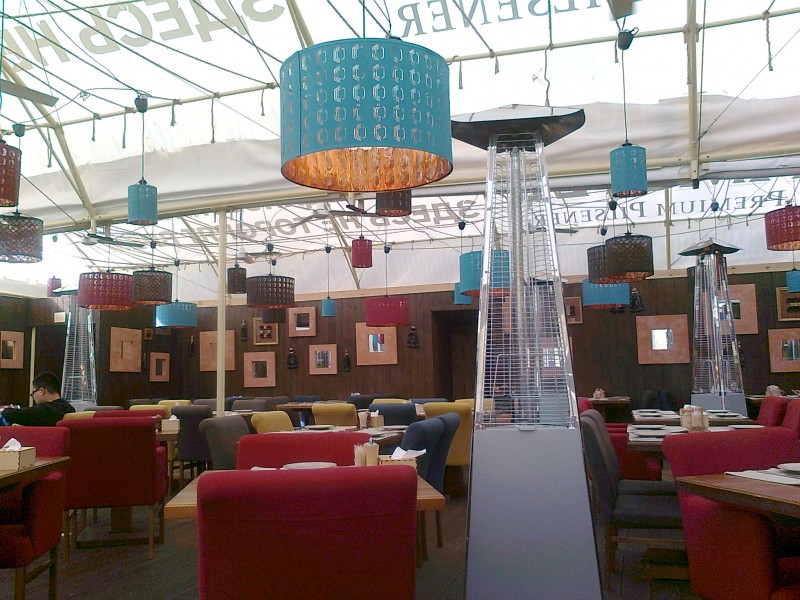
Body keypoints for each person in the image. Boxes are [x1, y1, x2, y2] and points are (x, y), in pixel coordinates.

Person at [0, 372, 75, 426]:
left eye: (33, 393)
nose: (33, 397)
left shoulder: (47, 410)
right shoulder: (69, 408)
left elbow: (21, 414)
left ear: (41, 391)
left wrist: (3, 411)